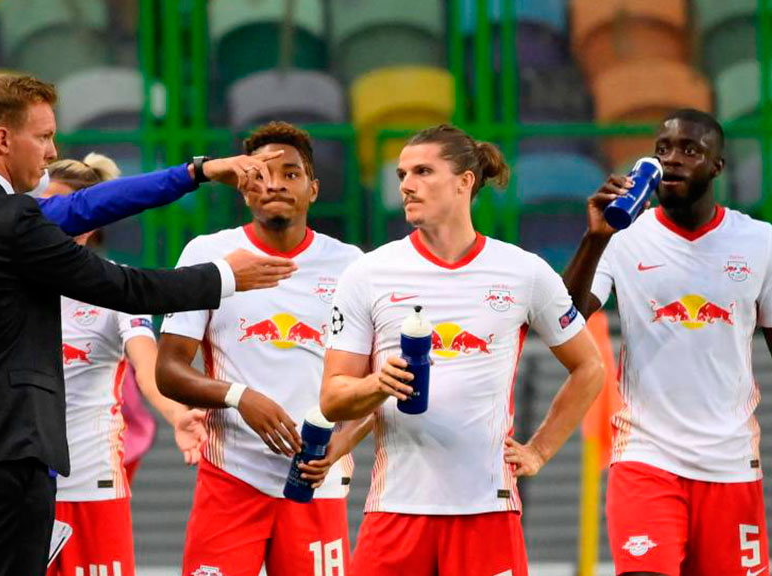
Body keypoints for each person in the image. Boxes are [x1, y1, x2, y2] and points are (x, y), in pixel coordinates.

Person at [0, 74, 296, 576]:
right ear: (4, 139)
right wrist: (225, 275)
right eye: (45, 136)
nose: (53, 152)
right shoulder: (11, 221)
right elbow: (122, 288)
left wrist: (197, 172)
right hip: (4, 457)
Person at [320, 125, 605, 575]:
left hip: (487, 512)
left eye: (423, 171)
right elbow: (333, 396)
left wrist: (539, 450)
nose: (406, 185)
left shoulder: (523, 272)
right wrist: (378, 384)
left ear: (465, 181)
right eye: (401, 174)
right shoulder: (368, 273)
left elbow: (590, 367)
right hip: (395, 512)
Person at [562, 108, 772, 576]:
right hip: (646, 457)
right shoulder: (623, 237)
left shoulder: (759, 242)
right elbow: (566, 317)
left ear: (717, 166)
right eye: (663, 149)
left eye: (689, 151)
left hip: (731, 465)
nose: (672, 159)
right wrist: (594, 239)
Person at [157, 121, 369, 576]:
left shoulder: (353, 266)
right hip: (231, 478)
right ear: (244, 189)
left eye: (290, 174)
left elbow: (382, 383)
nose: (274, 183)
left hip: (316, 484)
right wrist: (239, 396)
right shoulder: (207, 255)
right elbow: (169, 371)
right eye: (261, 174)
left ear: (313, 189)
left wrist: (340, 446)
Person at [41, 154, 208, 576]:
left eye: (66, 210)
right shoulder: (10, 286)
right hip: (21, 485)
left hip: (92, 479)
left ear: (91, 223)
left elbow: (147, 365)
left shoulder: (116, 284)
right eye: (45, 209)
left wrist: (175, 413)